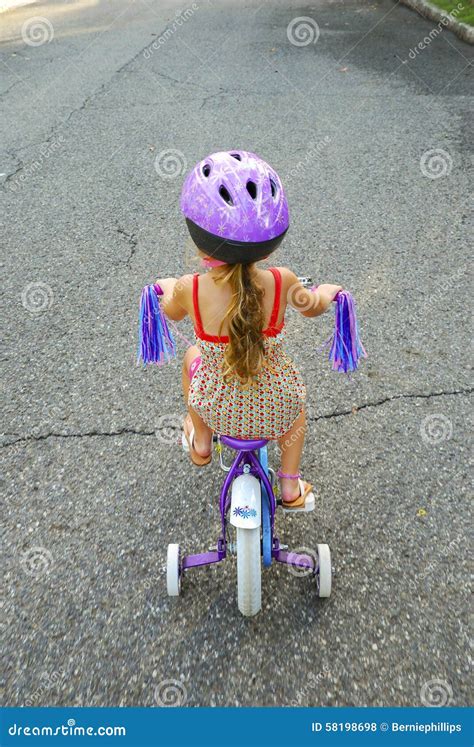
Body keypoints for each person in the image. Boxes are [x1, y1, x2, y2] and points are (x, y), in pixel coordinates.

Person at [156, 151, 341, 511]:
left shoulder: (189, 288)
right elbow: (313, 306)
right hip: (275, 406)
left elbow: (170, 313)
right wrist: (329, 293)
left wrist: (165, 286)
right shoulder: (281, 280)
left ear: (198, 236)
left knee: (192, 358)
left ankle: (202, 445)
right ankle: (289, 486)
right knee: (297, 406)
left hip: (216, 407)